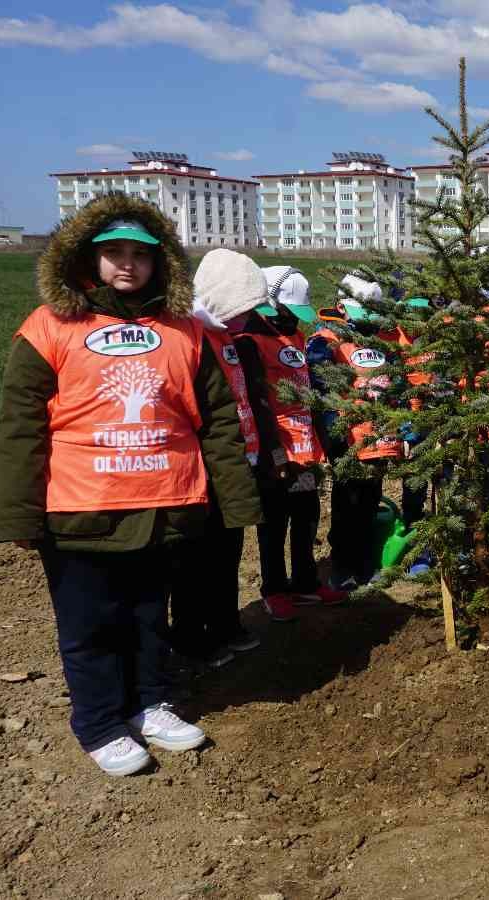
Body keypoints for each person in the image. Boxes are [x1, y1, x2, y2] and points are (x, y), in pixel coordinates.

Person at [0, 195, 259, 776]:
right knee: (90, 625)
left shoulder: (185, 331)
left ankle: (150, 703)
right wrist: (16, 514)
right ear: (86, 259)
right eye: (113, 252)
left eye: (141, 254)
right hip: (79, 511)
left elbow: (215, 419)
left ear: (161, 263)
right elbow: (20, 426)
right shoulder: (49, 328)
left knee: (147, 615)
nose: (127, 265)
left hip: (164, 506)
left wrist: (235, 499)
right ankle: (99, 722)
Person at [171, 249, 273, 667]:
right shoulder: (190, 339)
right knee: (195, 560)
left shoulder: (230, 339)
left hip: (237, 463)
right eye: (241, 308)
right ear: (218, 299)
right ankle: (192, 636)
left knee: (228, 552)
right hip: (202, 469)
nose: (246, 318)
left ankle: (226, 622)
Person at [307, 288, 409, 593]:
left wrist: (400, 431)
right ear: (341, 306)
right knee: (346, 504)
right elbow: (322, 392)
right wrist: (334, 437)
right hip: (347, 440)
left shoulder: (381, 342)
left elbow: (397, 386)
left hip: (379, 439)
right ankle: (342, 565)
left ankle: (366, 563)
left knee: (368, 501)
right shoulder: (325, 342)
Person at [246, 267, 328, 616]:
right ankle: (275, 588)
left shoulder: (295, 336)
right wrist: (275, 455)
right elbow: (259, 405)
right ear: (270, 300)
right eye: (289, 309)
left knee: (307, 515)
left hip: (305, 451)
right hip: (277, 455)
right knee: (274, 521)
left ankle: (306, 583)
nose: (295, 317)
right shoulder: (251, 341)